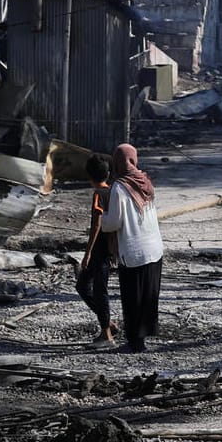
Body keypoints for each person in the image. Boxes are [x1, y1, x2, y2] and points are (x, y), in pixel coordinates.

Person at [99, 144, 163, 353]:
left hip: (134, 251)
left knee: (133, 297)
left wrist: (101, 217)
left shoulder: (119, 187)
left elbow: (114, 223)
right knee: (148, 295)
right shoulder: (144, 180)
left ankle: (136, 342)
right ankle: (143, 337)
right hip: (154, 248)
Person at [75, 154, 117, 344]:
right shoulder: (112, 191)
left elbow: (97, 225)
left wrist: (88, 252)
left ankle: (106, 333)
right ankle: (108, 323)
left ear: (89, 177)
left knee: (99, 289)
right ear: (107, 174)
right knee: (85, 286)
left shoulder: (99, 194)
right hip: (108, 247)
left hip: (100, 249)